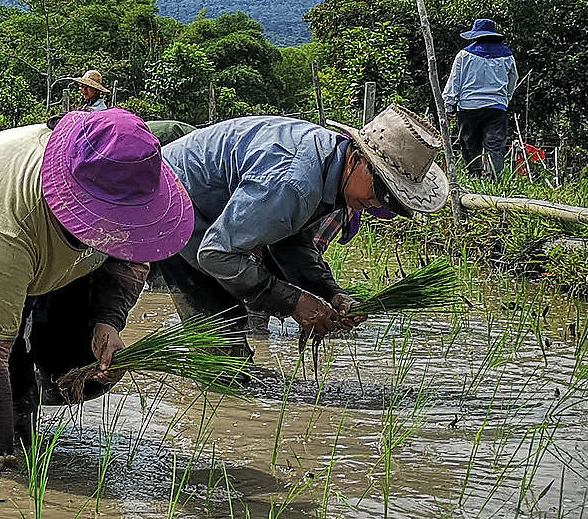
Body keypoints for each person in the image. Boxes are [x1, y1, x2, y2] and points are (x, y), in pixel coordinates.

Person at [0, 108, 195, 463]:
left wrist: (107, 321)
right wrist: (4, 460)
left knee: (64, 365)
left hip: (37, 255)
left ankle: (24, 414)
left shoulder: (125, 181)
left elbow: (132, 254)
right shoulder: (6, 226)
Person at [155, 107, 451, 359]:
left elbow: (291, 243)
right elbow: (215, 255)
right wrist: (294, 302)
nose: (376, 205)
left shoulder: (327, 166)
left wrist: (330, 293)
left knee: (230, 328)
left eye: (391, 202)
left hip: (207, 214)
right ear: (359, 159)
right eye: (382, 191)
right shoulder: (294, 181)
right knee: (222, 334)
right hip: (170, 207)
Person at [442, 19, 517, 178]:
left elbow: (454, 81)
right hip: (496, 107)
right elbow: (513, 79)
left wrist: (449, 107)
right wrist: (505, 99)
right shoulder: (507, 55)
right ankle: (493, 179)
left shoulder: (464, 55)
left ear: (476, 36)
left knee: (470, 144)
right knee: (495, 145)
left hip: (469, 107)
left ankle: (474, 175)